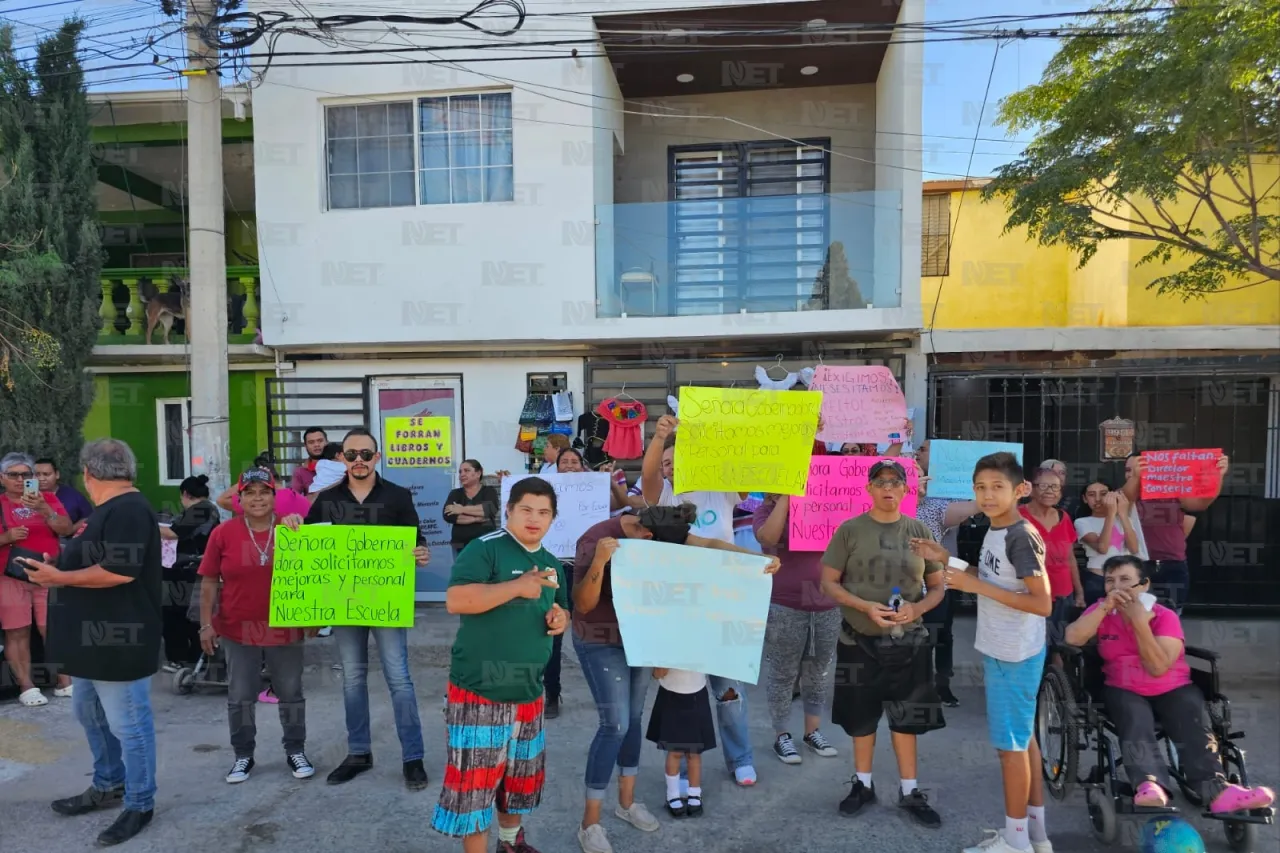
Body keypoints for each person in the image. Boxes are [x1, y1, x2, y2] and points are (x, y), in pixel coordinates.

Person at [571, 503, 780, 853]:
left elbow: (711, 548)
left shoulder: (666, 529)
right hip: (600, 640)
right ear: (646, 536)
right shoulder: (596, 539)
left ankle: (626, 803)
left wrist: (756, 561)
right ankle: (589, 824)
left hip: (641, 637)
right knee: (615, 725)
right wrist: (600, 562)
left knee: (633, 720)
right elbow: (584, 604)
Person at [912, 452, 1054, 853]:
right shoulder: (996, 529)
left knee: (1010, 748)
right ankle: (1036, 836)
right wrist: (945, 559)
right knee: (1023, 741)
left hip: (1014, 652)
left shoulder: (1019, 535)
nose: (988, 495)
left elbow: (1042, 602)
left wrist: (976, 588)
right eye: (981, 488)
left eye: (997, 487)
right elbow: (989, 578)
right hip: (1003, 646)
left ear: (1020, 490)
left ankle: (1015, 841)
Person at [26, 439, 161, 846]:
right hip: (92, 641)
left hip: (119, 641)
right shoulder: (109, 511)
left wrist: (59, 579)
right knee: (91, 715)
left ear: (88, 473)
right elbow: (97, 558)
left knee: (129, 725)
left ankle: (140, 802)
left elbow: (120, 571)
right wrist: (58, 564)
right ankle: (107, 784)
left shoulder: (129, 510)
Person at [1065, 555, 1275, 814]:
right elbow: (1073, 638)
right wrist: (1103, 609)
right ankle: (1149, 784)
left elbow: (1157, 667)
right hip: (1123, 687)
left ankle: (1217, 789)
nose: (1116, 586)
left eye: (1125, 580)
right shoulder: (1101, 610)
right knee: (1134, 717)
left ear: (1144, 585)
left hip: (1173, 686)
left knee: (1191, 718)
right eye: (1110, 581)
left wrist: (1140, 623)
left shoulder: (1164, 616)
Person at [281, 427, 431, 790]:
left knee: (399, 679)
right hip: (344, 604)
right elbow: (308, 550)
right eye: (352, 455)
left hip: (385, 602)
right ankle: (359, 753)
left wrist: (421, 552)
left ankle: (413, 757)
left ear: (377, 457)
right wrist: (293, 524)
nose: (359, 460)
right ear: (341, 459)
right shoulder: (327, 499)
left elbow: (417, 540)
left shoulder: (397, 496)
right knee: (352, 679)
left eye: (366, 454)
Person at [432, 477, 569, 853]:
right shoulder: (484, 548)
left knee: (519, 781)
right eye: (526, 509)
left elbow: (562, 610)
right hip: (480, 690)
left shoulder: (552, 562)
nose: (534, 518)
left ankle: (510, 843)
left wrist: (560, 619)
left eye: (543, 512)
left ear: (552, 518)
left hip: (528, 691)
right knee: (475, 791)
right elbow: (457, 600)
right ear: (508, 510)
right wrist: (514, 587)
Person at [820, 459, 946, 828]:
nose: (888, 487)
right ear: (869, 489)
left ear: (907, 489)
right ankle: (862, 785)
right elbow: (829, 582)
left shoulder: (920, 530)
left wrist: (917, 607)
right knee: (860, 717)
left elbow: (938, 586)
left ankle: (910, 791)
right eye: (880, 482)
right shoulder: (850, 531)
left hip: (909, 641)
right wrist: (863, 606)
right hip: (858, 639)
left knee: (906, 719)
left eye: (895, 481)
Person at [639, 414, 759, 787]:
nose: (671, 466)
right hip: (678, 604)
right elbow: (647, 478)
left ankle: (740, 758)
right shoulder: (664, 498)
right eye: (666, 463)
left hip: (723, 600)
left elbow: (745, 483)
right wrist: (659, 438)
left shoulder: (719, 487)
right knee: (681, 690)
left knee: (728, 688)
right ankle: (681, 770)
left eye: (677, 459)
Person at [198, 468, 314, 785]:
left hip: (285, 626)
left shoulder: (293, 530)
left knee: (291, 693)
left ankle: (295, 749)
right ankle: (243, 755)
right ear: (240, 499)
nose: (258, 498)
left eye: (264, 492)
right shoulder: (223, 534)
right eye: (250, 493)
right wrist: (205, 624)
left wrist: (315, 617)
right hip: (237, 628)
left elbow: (314, 577)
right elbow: (209, 581)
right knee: (241, 695)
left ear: (275, 497)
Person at [752, 492, 841, 765]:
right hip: (784, 604)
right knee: (783, 672)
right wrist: (787, 500)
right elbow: (767, 538)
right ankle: (782, 735)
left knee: (817, 671)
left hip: (827, 603)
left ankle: (812, 732)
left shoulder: (827, 506)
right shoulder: (764, 511)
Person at [0, 451, 75, 705]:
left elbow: (66, 528)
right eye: (13, 475)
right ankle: (27, 686)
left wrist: (44, 509)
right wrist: (7, 538)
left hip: (47, 574)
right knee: (17, 631)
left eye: (26, 475)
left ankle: (65, 683)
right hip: (11, 576)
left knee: (53, 628)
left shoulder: (48, 498)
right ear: (2, 478)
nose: (20, 480)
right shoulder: (0, 503)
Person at [911, 439, 980, 708]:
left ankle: (941, 685)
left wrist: (993, 488)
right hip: (896, 586)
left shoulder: (939, 503)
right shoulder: (886, 505)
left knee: (939, 634)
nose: (918, 454)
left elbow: (974, 507)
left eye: (924, 450)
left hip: (937, 580)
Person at [1121, 452, 1228, 613]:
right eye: (1128, 470)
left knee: (1171, 616)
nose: (1132, 473)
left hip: (1173, 564)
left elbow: (1200, 504)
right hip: (1137, 565)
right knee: (1134, 614)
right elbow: (1125, 498)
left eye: (1139, 468)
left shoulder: (1173, 491)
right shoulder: (1124, 495)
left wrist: (1217, 476)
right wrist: (1136, 477)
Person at [157, 474, 221, 668]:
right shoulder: (209, 510)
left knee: (176, 615)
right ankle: (193, 658)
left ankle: (181, 659)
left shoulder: (201, 510)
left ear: (185, 494)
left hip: (189, 571)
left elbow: (173, 533)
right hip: (191, 569)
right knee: (189, 614)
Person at [542, 447, 587, 718]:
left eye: (574, 461)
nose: (569, 466)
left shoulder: (594, 488)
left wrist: (610, 482)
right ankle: (552, 693)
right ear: (556, 467)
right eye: (564, 462)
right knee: (553, 633)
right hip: (553, 568)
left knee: (590, 634)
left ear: (583, 467)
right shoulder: (545, 491)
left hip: (584, 567)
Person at [1019, 467, 1085, 652]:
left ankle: (1055, 680)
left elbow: (1070, 557)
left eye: (1055, 487)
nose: (1050, 491)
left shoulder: (1064, 518)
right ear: (1031, 488)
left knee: (1059, 648)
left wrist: (1079, 592)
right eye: (1044, 486)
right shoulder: (1017, 516)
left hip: (1063, 594)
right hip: (1029, 594)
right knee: (1032, 648)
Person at [647, 666, 715, 819]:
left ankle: (695, 793)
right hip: (670, 692)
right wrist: (657, 668)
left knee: (694, 751)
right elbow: (657, 671)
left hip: (697, 692)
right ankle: (672, 795)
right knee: (674, 751)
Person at [1074, 483, 1141, 605]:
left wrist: (1123, 515)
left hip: (1124, 580)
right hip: (1097, 579)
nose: (1098, 499)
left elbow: (1134, 548)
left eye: (1104, 494)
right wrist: (1110, 514)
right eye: (1092, 495)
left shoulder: (1124, 520)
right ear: (1085, 499)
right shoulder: (1082, 522)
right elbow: (1102, 548)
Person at [443, 458, 499, 557]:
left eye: (467, 471)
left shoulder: (489, 491)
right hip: (460, 547)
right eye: (460, 472)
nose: (462, 474)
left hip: (486, 545)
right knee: (463, 572)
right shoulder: (455, 493)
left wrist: (462, 509)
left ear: (478, 473)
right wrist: (477, 518)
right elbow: (448, 516)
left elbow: (489, 510)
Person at [34, 457, 93, 526]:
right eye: (37, 475)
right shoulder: (27, 496)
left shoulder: (72, 496)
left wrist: (72, 530)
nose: (41, 479)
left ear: (57, 474)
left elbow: (89, 518)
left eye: (46, 474)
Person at [289, 427, 328, 494]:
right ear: (305, 446)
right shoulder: (300, 472)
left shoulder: (341, 466)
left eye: (320, 441)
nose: (316, 445)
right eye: (311, 442)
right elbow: (294, 497)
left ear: (326, 442)